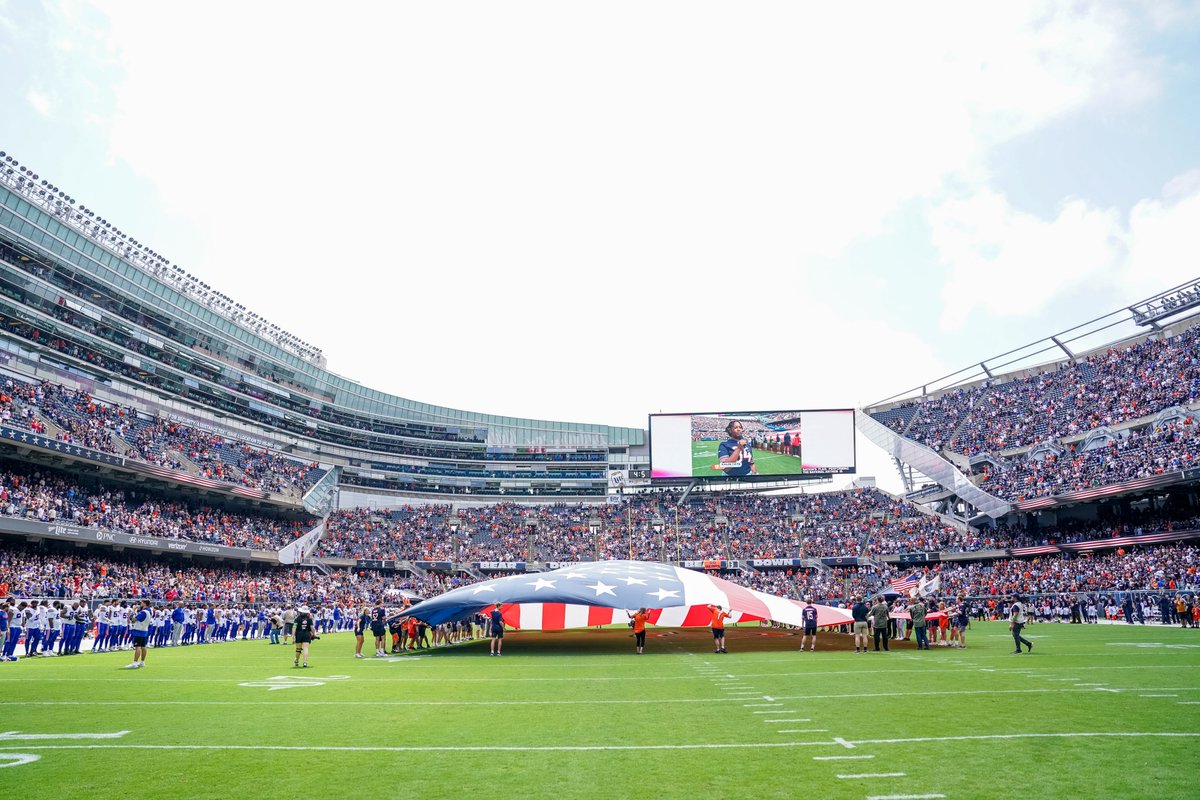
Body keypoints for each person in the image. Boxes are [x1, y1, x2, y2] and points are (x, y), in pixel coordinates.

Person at [125, 600, 153, 670]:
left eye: (141, 603)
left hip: (139, 630)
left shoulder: (144, 612)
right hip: (144, 630)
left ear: (144, 604)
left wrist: (133, 611)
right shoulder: (149, 611)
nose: (140, 604)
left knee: (138, 646)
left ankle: (135, 662)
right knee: (143, 646)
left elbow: (133, 619)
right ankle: (142, 661)